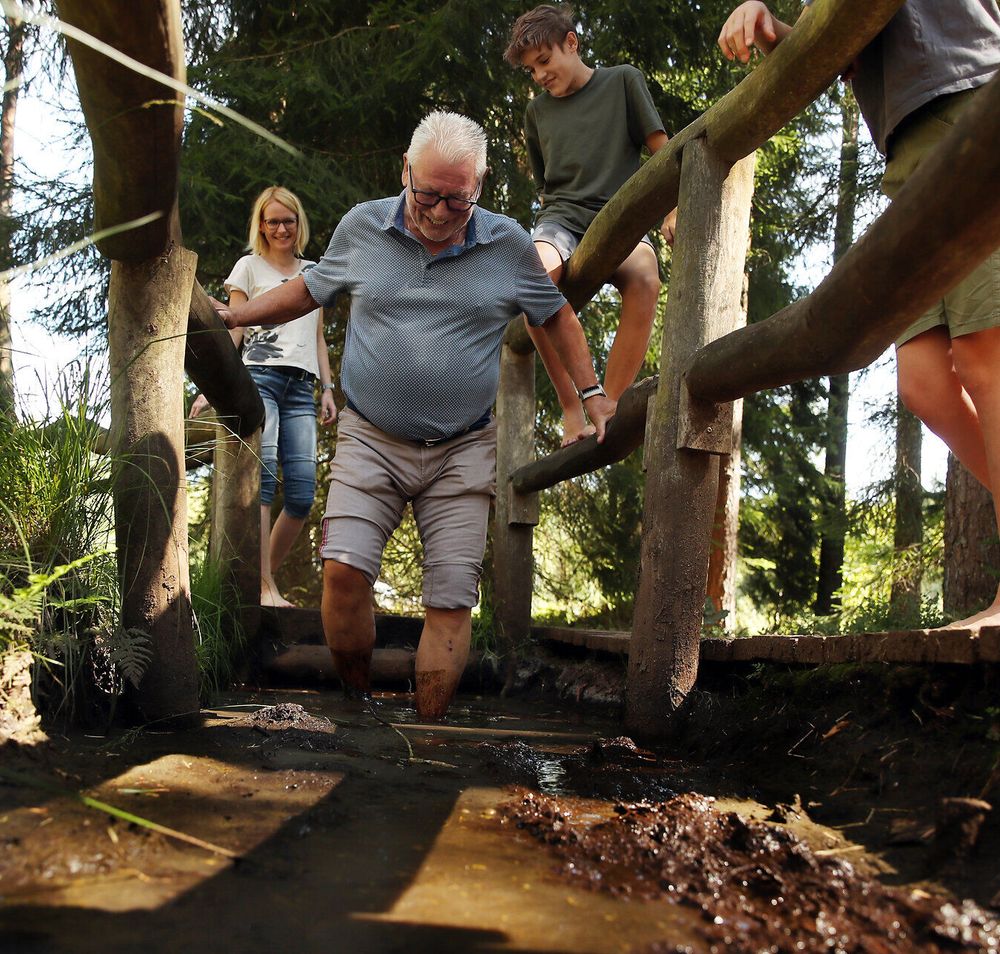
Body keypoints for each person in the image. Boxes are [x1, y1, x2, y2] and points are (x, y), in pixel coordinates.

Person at [213, 111, 617, 720]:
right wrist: (236, 318)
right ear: (405, 170)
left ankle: (428, 734)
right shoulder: (363, 228)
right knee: (343, 574)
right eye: (426, 193)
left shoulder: (506, 244)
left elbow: (554, 315)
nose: (436, 211)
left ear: (477, 188)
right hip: (370, 438)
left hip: (463, 448)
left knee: (451, 601)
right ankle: (359, 708)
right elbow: (310, 288)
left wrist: (591, 395)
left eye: (456, 201)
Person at [717, 1, 1000, 627]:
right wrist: (772, 28)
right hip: (904, 151)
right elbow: (847, 49)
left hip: (974, 103)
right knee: (924, 383)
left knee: (986, 355)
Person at [504, 4, 677, 446]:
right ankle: (572, 404)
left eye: (544, 61)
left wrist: (675, 208)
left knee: (645, 277)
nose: (539, 75)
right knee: (534, 281)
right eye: (531, 70)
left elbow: (664, 150)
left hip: (620, 218)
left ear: (571, 43)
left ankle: (612, 404)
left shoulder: (622, 81)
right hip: (561, 220)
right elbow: (548, 189)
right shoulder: (537, 113)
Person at [191, 186, 337, 608]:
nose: (281, 228)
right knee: (266, 478)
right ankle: (264, 588)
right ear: (261, 225)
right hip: (260, 379)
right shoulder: (248, 268)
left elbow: (317, 336)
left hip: (301, 388)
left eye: (288, 220)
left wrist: (327, 388)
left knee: (303, 495)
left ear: (298, 223)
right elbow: (234, 329)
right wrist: (208, 385)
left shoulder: (313, 271)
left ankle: (264, 579)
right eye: (272, 220)